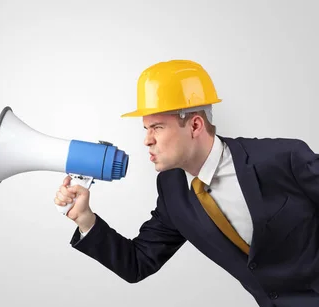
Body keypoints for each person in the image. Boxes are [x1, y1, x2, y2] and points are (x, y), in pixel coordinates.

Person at [54, 59, 319, 307]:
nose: (147, 140)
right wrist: (86, 220)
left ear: (195, 125)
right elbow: (138, 262)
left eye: (157, 127)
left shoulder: (283, 158)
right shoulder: (173, 192)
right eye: (145, 129)